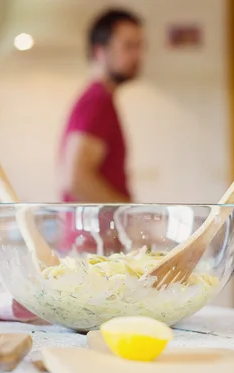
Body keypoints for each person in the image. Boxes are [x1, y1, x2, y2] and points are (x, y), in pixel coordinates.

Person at [57, 8, 144, 254]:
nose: (138, 55)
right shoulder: (97, 102)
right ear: (99, 50)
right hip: (94, 249)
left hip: (93, 245)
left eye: (140, 46)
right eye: (129, 46)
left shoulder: (99, 100)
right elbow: (74, 178)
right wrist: (128, 215)